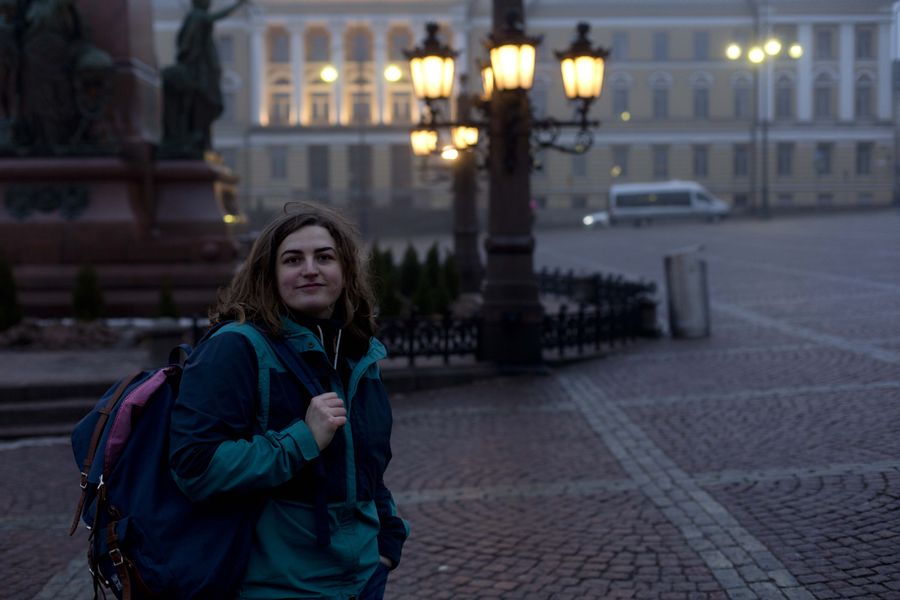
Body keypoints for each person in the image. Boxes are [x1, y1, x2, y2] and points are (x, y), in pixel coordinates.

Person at [169, 202, 409, 599]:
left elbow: (370, 468)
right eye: (293, 259)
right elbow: (195, 467)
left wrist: (388, 544)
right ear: (270, 275)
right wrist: (302, 440)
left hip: (364, 579)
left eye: (325, 257)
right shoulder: (236, 349)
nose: (310, 269)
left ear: (345, 270)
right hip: (276, 584)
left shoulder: (359, 354)